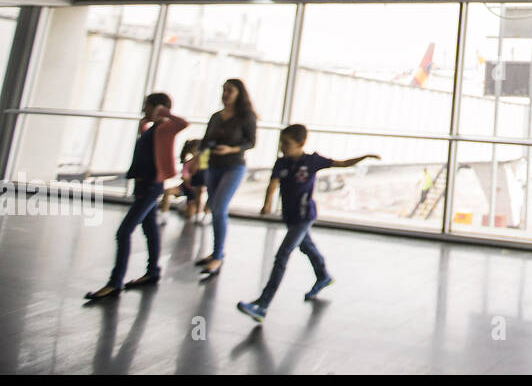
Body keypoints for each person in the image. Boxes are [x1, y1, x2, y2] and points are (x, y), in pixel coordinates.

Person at [236, 125, 378, 322]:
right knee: (307, 247)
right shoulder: (281, 163)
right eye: (281, 143)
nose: (283, 147)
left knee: (282, 255)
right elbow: (273, 183)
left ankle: (263, 304)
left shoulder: (312, 161)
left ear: (300, 144)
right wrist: (267, 203)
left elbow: (342, 163)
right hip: (290, 216)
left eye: (287, 144)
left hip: (304, 217)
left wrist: (365, 157)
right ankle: (323, 275)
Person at [85, 93, 188, 300]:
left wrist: (163, 113)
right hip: (143, 185)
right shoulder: (152, 129)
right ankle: (153, 272)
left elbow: (183, 123)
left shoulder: (166, 127)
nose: (144, 109)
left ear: (158, 108)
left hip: (151, 186)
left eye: (147, 106)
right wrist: (145, 124)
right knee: (150, 230)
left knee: (123, 232)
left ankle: (115, 283)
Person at [195, 79, 257, 278]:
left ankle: (218, 255)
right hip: (213, 166)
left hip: (233, 165)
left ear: (239, 93)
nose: (225, 94)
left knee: (220, 208)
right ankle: (215, 251)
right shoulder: (215, 117)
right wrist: (199, 159)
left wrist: (231, 149)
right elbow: (205, 142)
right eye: (223, 90)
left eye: (229, 90)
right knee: (214, 208)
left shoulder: (246, 117)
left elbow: (251, 142)